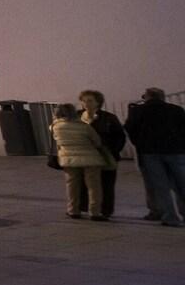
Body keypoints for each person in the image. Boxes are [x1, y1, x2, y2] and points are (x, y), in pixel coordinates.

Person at [125, 87, 185, 226]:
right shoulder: (176, 109)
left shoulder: (138, 111)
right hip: (176, 151)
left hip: (150, 152)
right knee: (181, 184)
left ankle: (169, 216)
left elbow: (130, 128)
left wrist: (139, 142)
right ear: (162, 97)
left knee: (160, 186)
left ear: (147, 97)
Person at [50, 102, 115, 220]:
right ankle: (94, 212)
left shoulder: (54, 127)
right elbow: (97, 142)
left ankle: (73, 210)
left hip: (68, 159)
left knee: (72, 186)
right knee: (93, 186)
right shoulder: (84, 126)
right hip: (90, 159)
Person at [77, 90, 128, 221]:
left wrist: (112, 150)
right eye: (83, 100)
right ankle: (85, 207)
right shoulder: (76, 117)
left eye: (90, 100)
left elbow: (119, 136)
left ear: (98, 102)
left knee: (107, 183)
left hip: (104, 155)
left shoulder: (109, 118)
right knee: (83, 183)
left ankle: (105, 209)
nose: (86, 103)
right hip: (84, 156)